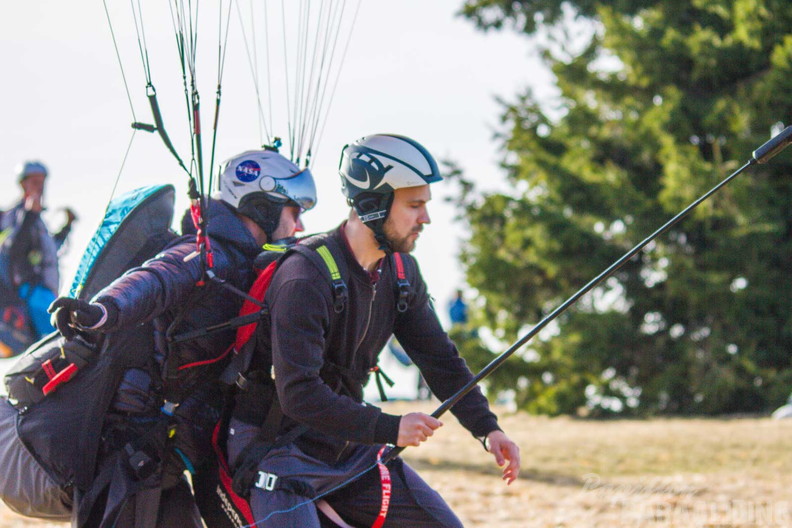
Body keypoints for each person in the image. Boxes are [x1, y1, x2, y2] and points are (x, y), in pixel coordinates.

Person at [227, 134, 520, 527]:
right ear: (372, 204)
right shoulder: (304, 277)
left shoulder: (400, 274)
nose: (425, 219)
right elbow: (298, 394)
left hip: (344, 447)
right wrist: (392, 427)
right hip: (277, 450)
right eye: (414, 205)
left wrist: (487, 429)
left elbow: (438, 359)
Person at [47, 148, 316, 528]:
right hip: (134, 443)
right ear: (264, 205)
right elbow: (155, 279)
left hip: (170, 448)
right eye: (294, 211)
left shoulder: (246, 261)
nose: (300, 225)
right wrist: (103, 310)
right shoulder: (206, 255)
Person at [0, 161, 76, 341]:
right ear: (23, 184)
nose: (39, 187)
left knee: (60, 338)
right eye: (34, 182)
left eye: (41, 182)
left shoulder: (36, 218)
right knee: (62, 340)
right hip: (31, 291)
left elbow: (47, 253)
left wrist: (66, 228)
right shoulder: (16, 215)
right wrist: (30, 215)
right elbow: (13, 248)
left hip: (45, 290)